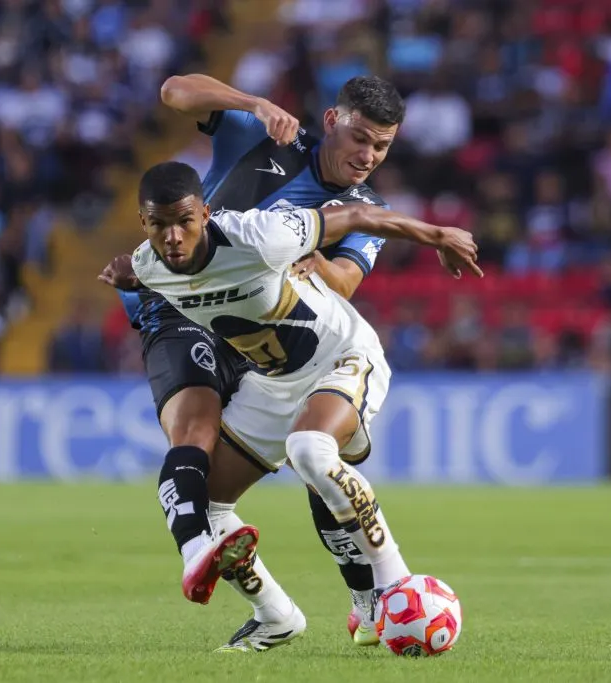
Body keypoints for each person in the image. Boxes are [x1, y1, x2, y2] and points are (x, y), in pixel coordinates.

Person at [102, 161, 481, 652]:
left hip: (342, 356)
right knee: (203, 504)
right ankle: (275, 615)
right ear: (143, 223)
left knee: (309, 450)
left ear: (206, 214)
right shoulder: (150, 266)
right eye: (159, 225)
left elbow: (355, 216)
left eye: (185, 221)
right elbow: (144, 274)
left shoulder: (259, 236)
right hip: (274, 384)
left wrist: (438, 235)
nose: (173, 236)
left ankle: (397, 583)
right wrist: (127, 276)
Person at [113, 73, 405, 645]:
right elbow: (174, 90)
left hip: (264, 334)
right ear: (331, 121)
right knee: (195, 434)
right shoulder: (263, 134)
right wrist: (251, 101)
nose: (368, 155)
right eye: (360, 138)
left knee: (315, 461)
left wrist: (315, 262)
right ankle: (250, 591)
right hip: (177, 307)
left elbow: (346, 278)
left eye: (383, 146)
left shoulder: (366, 205)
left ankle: (366, 599)